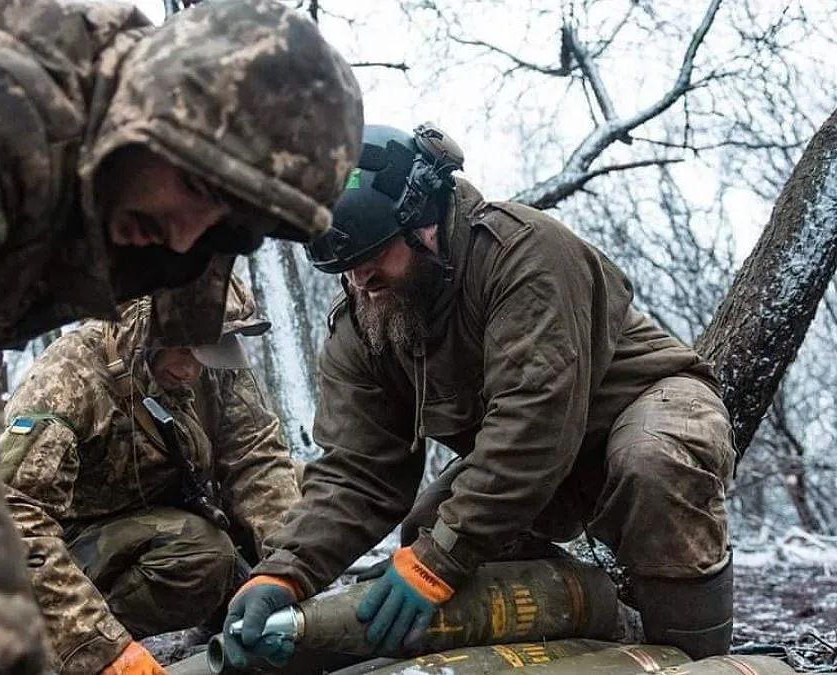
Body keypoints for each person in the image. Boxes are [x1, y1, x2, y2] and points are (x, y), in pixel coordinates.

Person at [0, 0, 362, 672]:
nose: (184, 233)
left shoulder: (154, 244)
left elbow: (255, 456)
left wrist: (286, 577)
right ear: (147, 108)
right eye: (194, 182)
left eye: (227, 223)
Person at [225, 123, 736, 666]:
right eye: (344, 266)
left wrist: (439, 561)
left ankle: (695, 656)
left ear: (423, 223)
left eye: (373, 255)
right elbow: (359, 471)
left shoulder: (525, 253)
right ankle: (590, 634)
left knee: (651, 462)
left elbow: (533, 423)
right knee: (428, 528)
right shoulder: (364, 324)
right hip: (540, 459)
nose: (360, 280)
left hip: (645, 406)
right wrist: (284, 571)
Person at [0, 277, 301, 674]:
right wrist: (97, 646)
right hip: (72, 541)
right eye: (182, 346)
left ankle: (228, 620)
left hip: (165, 512)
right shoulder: (67, 380)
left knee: (303, 483)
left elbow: (257, 458)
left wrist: (291, 574)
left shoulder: (215, 368)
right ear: (141, 331)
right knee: (203, 551)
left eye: (206, 349)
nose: (192, 368)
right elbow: (16, 519)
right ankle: (51, 643)